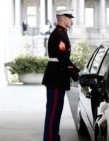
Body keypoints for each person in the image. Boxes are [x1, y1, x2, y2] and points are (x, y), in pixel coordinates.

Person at [42, 9, 80, 141]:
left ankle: (53, 137)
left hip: (58, 76)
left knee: (56, 110)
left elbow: (64, 58)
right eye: (70, 18)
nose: (71, 20)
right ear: (63, 18)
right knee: (53, 111)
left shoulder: (62, 33)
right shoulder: (58, 35)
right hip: (56, 77)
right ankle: (50, 138)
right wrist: (76, 74)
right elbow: (63, 59)